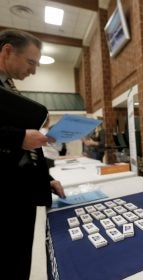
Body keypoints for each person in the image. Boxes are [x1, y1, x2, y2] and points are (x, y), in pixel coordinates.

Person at [0, 29, 65, 280]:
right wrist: (19, 138)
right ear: (7, 51)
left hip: (22, 193)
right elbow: (18, 137)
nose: (34, 71)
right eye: (30, 62)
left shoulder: (10, 88)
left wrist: (44, 179)